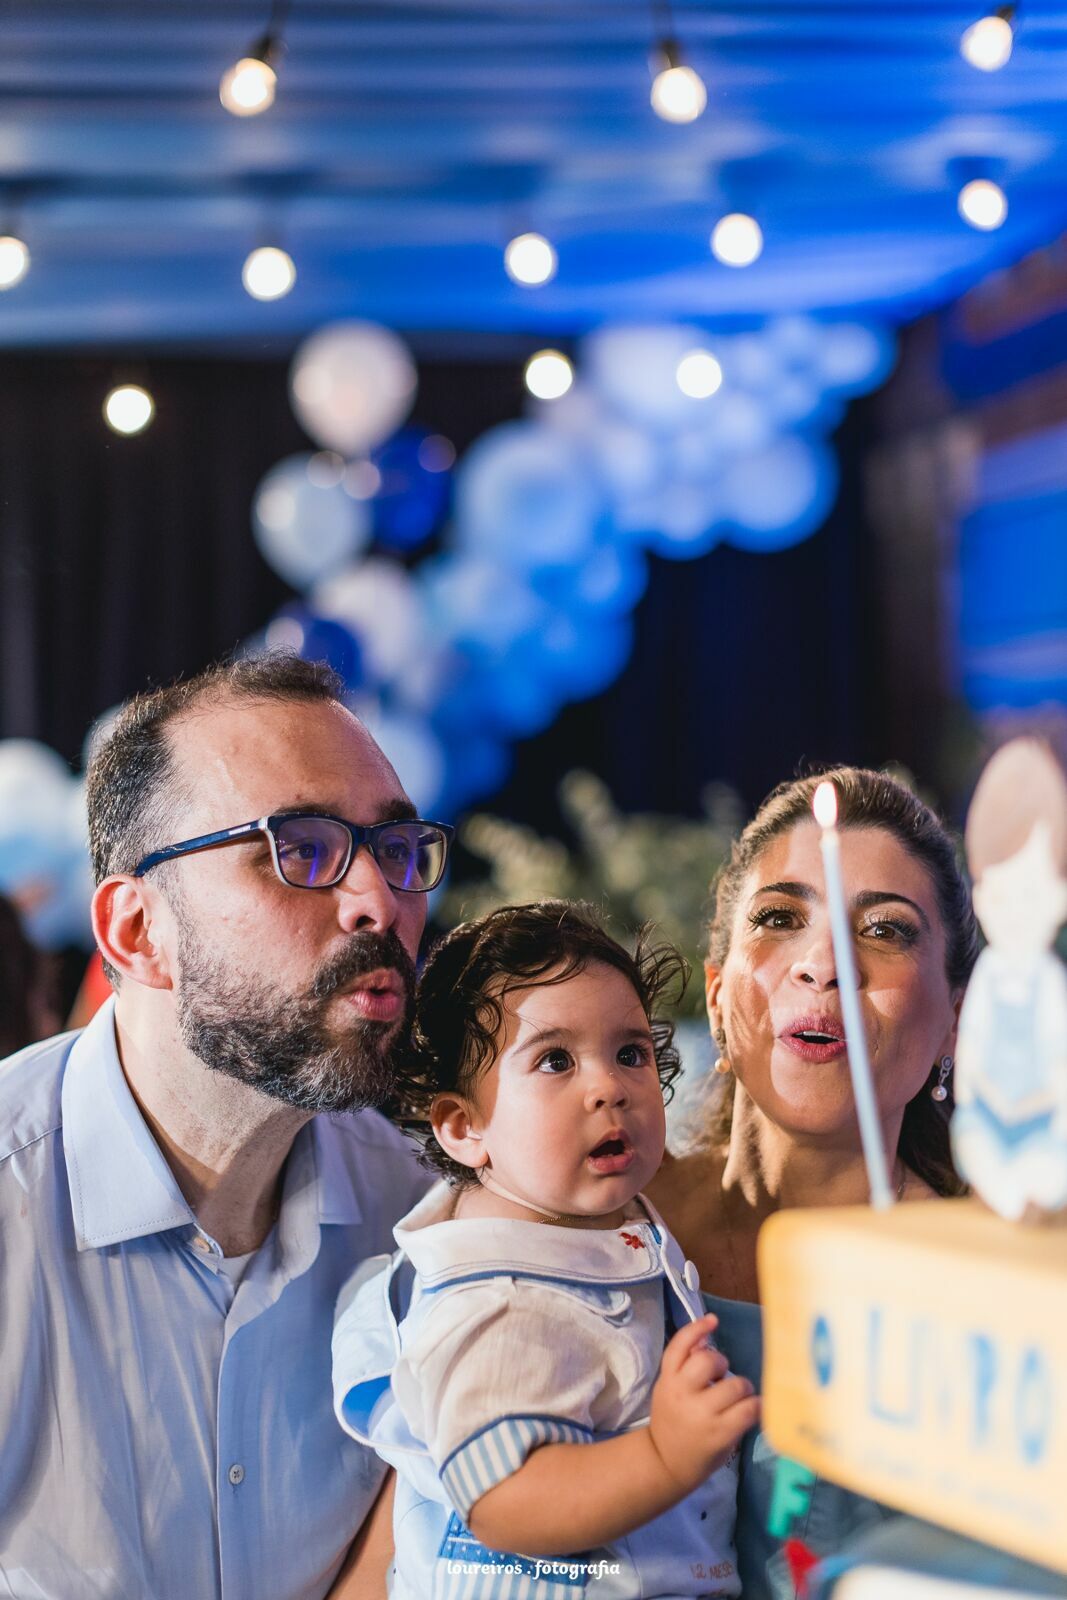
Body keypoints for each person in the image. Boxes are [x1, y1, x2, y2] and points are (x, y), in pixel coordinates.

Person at [0, 653, 452, 1600]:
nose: (383, 902)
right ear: (137, 933)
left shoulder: (430, 1214)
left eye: (400, 849)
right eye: (301, 848)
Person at [332, 901, 760, 1600]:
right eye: (555, 1060)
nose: (608, 1088)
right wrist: (664, 1453)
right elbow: (503, 1499)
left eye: (630, 1052)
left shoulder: (582, 1231)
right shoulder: (500, 1303)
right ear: (464, 1128)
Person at [647, 766, 980, 1598]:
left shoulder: (988, 1296)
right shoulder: (599, 1222)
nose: (824, 962)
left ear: (954, 1020)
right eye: (778, 918)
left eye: (886, 931)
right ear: (717, 995)